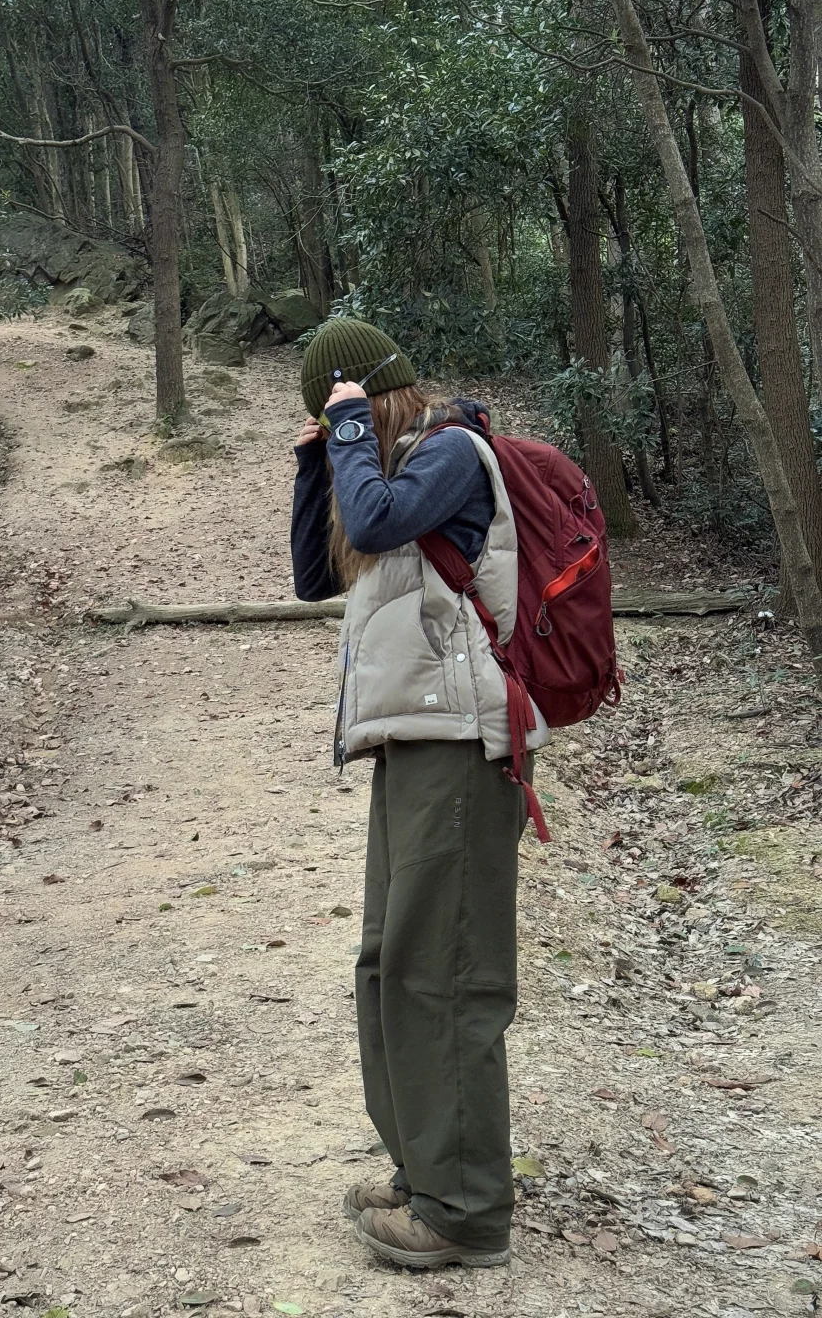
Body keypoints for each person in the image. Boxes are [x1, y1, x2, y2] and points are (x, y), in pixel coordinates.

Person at [289, 317, 548, 1270]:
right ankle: (424, 1168)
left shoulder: (452, 450)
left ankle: (467, 1210)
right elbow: (318, 571)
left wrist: (352, 435)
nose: (336, 424)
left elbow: (377, 523)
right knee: (391, 965)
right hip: (410, 742)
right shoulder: (381, 473)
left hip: (465, 747)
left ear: (372, 393)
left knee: (447, 971)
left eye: (339, 404)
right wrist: (321, 460)